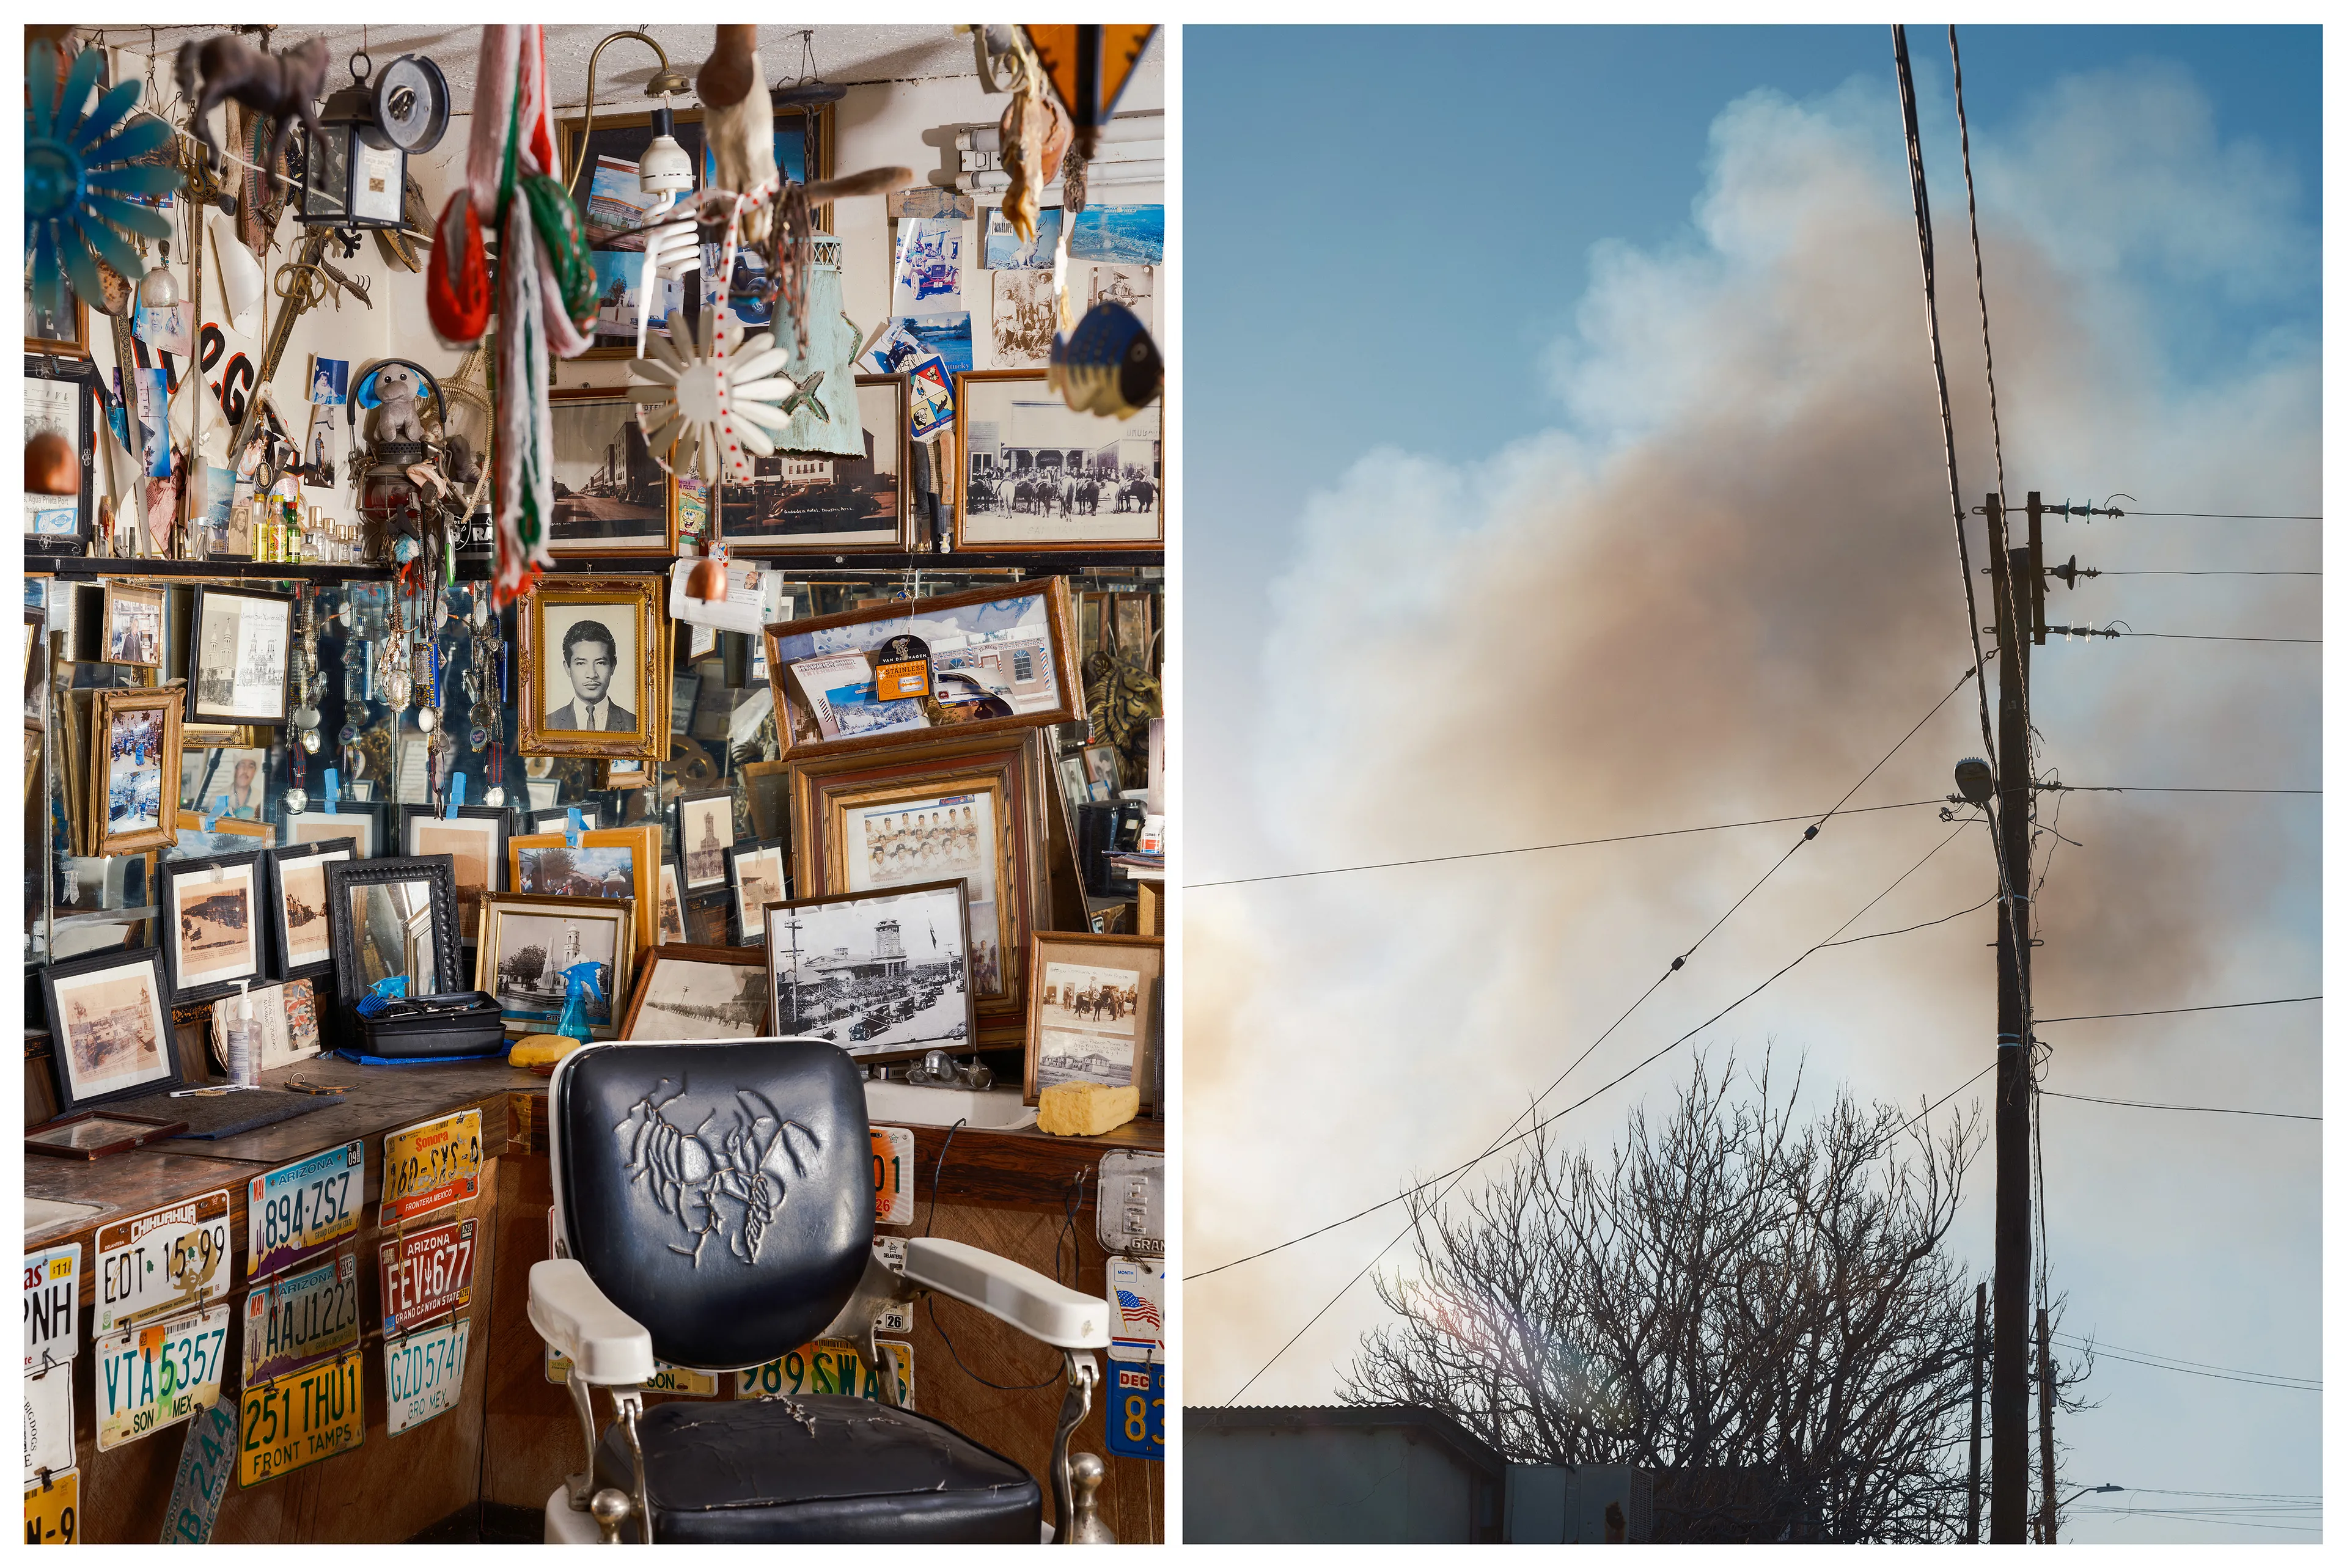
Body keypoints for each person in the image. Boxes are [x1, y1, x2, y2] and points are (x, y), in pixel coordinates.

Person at [545, 618, 636, 732]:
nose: (592, 674)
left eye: (600, 663)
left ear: (613, 666)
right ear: (567, 668)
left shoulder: (635, 725)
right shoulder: (548, 724)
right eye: (581, 663)